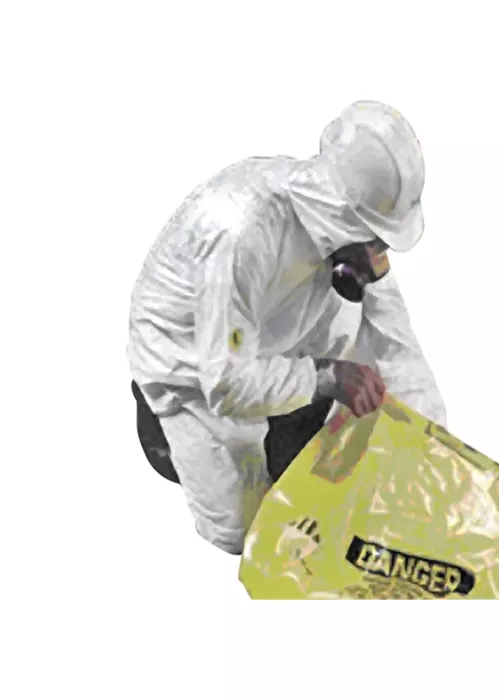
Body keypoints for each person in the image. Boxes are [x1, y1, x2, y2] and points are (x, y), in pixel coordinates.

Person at [127, 100, 447, 555]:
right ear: (345, 217)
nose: (380, 255)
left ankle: (287, 409)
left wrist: (432, 444)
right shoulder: (242, 233)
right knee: (243, 533)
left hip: (273, 319)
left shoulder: (346, 231)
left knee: (355, 315)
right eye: (375, 240)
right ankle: (164, 428)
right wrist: (328, 378)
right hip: (192, 359)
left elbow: (396, 342)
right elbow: (225, 381)